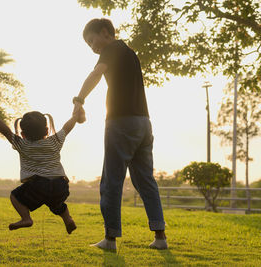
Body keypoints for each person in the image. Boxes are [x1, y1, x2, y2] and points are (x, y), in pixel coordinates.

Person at [72, 18, 167, 251]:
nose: (92, 47)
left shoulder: (111, 49)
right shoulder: (130, 53)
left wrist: (79, 100)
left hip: (121, 122)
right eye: (88, 45)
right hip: (143, 123)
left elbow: (96, 74)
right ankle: (160, 237)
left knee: (111, 181)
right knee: (146, 181)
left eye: (92, 41)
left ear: (105, 33)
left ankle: (110, 239)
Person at [0, 109, 84, 234]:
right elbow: (67, 128)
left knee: (15, 196)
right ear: (46, 130)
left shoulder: (22, 144)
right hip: (60, 185)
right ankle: (67, 219)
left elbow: (6, 132)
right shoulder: (55, 141)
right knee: (57, 204)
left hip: (38, 185)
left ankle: (26, 218)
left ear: (23, 134)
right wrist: (75, 116)